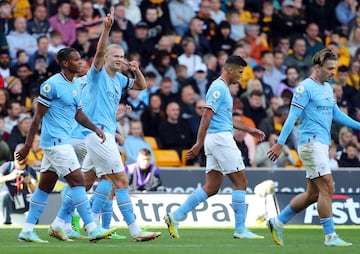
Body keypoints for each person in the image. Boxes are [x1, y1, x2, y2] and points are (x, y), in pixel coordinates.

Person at [15, 47, 113, 243]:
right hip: (56, 142)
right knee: (78, 182)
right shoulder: (51, 85)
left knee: (44, 187)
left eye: (80, 59)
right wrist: (27, 145)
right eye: (76, 60)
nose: (81, 62)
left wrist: (95, 128)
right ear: (66, 63)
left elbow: (78, 115)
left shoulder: (76, 84)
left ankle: (27, 230)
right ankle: (92, 228)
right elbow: (37, 118)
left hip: (61, 142)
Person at [164, 55, 265, 239]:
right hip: (220, 140)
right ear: (230, 70)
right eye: (240, 72)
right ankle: (241, 229)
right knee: (241, 182)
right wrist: (198, 143)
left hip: (216, 138)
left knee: (212, 186)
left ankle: (175, 216)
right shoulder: (218, 88)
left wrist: (250, 129)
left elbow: (226, 119)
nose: (241, 77)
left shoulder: (223, 88)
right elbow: (206, 116)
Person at [80, 8, 160, 242]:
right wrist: (106, 29)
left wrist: (136, 70)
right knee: (121, 180)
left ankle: (65, 222)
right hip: (100, 135)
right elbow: (98, 52)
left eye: (122, 56)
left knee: (87, 182)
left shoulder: (120, 79)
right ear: (106, 58)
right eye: (115, 56)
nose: (119, 59)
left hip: (102, 134)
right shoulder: (97, 74)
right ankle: (135, 231)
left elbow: (141, 87)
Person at [266, 48, 360, 247]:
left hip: (321, 144)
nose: (332, 73)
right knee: (328, 186)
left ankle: (277, 221)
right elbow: (292, 117)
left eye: (334, 69)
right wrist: (280, 144)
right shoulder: (304, 88)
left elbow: (336, 114)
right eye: (329, 69)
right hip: (310, 143)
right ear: (317, 67)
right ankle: (330, 236)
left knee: (313, 194)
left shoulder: (327, 87)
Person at [0, 143, 37, 225]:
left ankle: (32, 226)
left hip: (24, 202)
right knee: (4, 195)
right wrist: (10, 176)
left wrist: (29, 182)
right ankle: (7, 223)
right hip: (10, 202)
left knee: (36, 199)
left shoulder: (30, 170)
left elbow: (34, 190)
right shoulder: (8, 166)